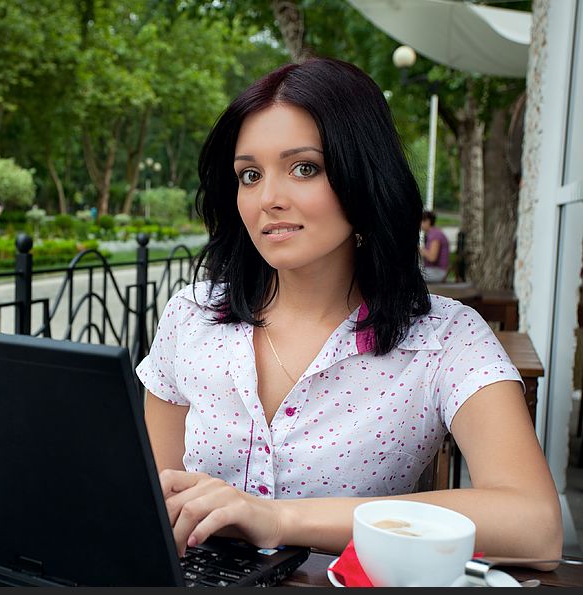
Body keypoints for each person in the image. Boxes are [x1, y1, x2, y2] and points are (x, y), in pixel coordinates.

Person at [136, 58, 561, 566]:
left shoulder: (444, 338)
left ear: (364, 175)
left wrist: (281, 519)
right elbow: (150, 508)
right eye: (249, 175)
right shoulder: (193, 317)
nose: (268, 198)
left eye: (304, 168)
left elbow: (535, 525)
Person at [419, 210, 450, 282]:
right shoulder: (433, 233)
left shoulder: (435, 235)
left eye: (422, 221)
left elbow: (432, 258)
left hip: (437, 272)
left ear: (428, 221)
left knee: (410, 276)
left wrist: (421, 250)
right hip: (434, 270)